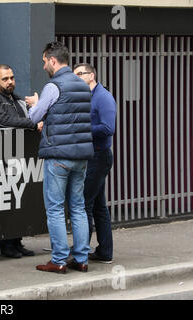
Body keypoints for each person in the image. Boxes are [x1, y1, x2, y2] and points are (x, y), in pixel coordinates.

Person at [25, 42, 93, 274]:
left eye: (44, 61)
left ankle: (59, 260)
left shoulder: (53, 86)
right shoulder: (83, 86)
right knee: (78, 207)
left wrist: (35, 103)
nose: (44, 65)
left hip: (58, 156)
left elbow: (34, 117)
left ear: (53, 60)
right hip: (81, 155)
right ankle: (82, 258)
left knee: (54, 208)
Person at [0, 64, 40, 259]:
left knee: (18, 200)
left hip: (17, 157)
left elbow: (26, 116)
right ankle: (6, 244)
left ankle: (16, 241)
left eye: (12, 78)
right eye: (5, 79)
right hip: (0, 159)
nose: (10, 82)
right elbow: (2, 121)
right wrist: (32, 124)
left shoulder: (17, 99)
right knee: (5, 201)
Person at [73, 63, 116, 264]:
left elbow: (108, 128)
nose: (77, 77)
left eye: (80, 74)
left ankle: (80, 251)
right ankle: (105, 252)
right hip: (91, 156)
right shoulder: (87, 96)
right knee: (99, 205)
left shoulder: (103, 97)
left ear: (92, 75)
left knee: (84, 204)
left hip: (99, 156)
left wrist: (83, 129)